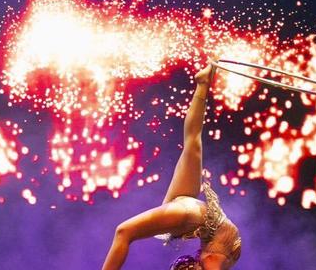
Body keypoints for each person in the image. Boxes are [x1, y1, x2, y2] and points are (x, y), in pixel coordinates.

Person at [102, 64, 242, 270]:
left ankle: (203, 84)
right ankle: (203, 84)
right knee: (192, 144)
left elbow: (123, 233)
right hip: (198, 218)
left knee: (192, 144)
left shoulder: (209, 254)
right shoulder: (213, 257)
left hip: (194, 216)